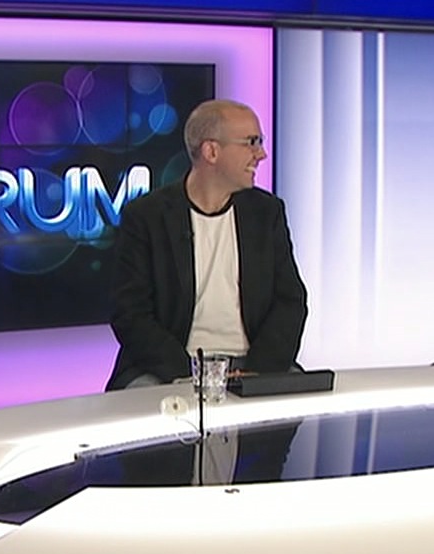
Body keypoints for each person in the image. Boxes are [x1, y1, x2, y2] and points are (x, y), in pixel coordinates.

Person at [105, 99, 308, 390]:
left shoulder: (266, 212)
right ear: (211, 151)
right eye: (251, 142)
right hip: (170, 366)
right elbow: (130, 313)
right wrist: (190, 373)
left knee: (301, 401)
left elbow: (290, 301)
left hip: (254, 363)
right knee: (145, 400)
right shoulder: (147, 217)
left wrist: (257, 370)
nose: (261, 154)